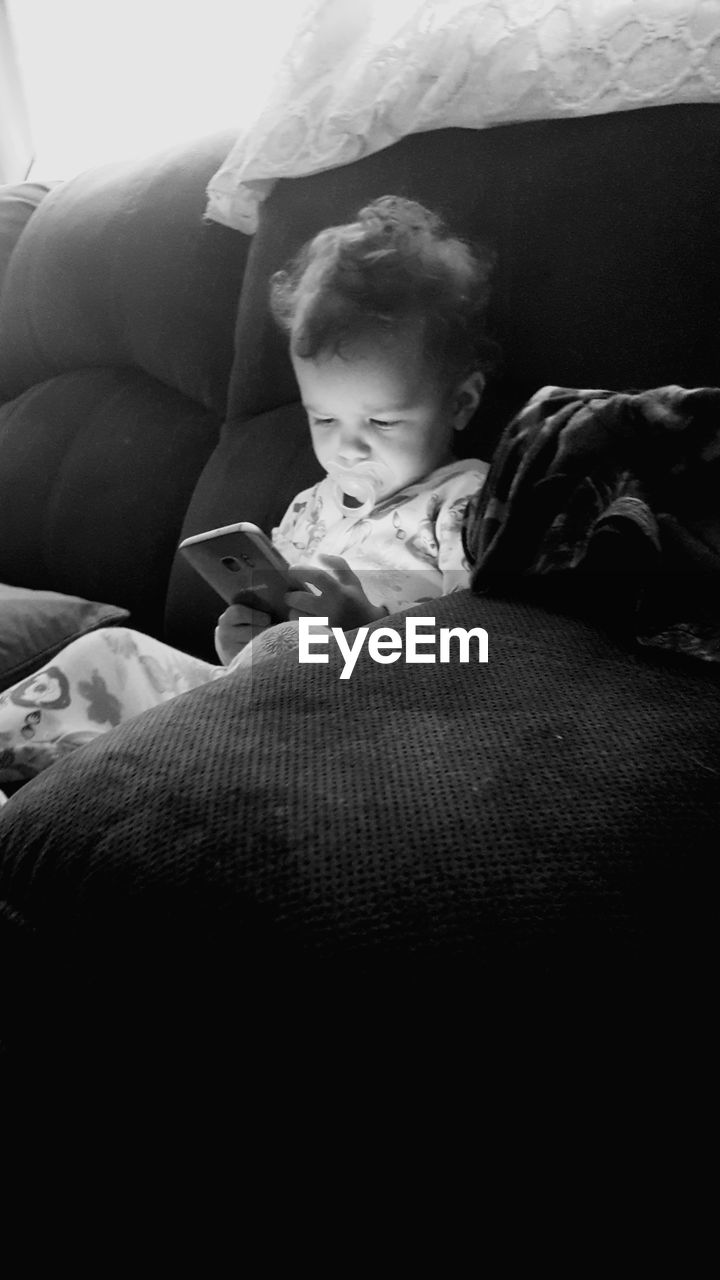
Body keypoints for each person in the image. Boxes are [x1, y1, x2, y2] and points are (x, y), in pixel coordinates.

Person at [0, 195, 495, 794]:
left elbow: (486, 649)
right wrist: (243, 639)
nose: (349, 450)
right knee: (109, 654)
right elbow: (258, 653)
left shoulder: (467, 502)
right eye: (324, 420)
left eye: (383, 423)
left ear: (462, 403)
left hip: (362, 734)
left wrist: (367, 634)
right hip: (249, 707)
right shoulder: (309, 509)